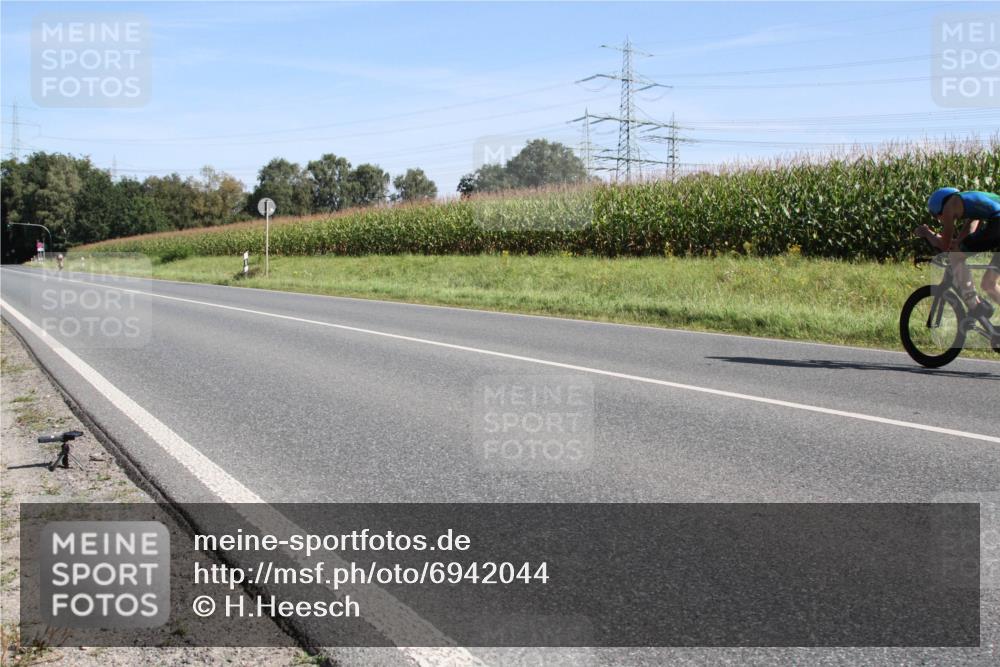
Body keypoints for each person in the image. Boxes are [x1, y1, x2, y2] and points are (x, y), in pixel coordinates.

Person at [915, 188, 1000, 321]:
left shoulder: (949, 206)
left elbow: (944, 246)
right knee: (989, 284)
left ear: (938, 208)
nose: (940, 220)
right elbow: (967, 236)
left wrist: (927, 233)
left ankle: (974, 304)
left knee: (955, 257)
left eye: (937, 217)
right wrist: (957, 244)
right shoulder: (969, 202)